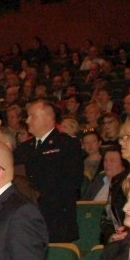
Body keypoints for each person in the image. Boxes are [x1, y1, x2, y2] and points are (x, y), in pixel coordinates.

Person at [16, 100, 83, 242]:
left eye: (32, 116)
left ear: (47, 118)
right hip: (28, 219)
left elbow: (73, 182)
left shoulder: (67, 144)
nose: (27, 120)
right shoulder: (23, 148)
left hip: (56, 220)